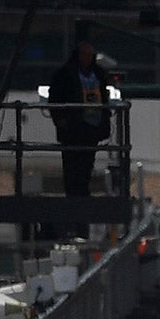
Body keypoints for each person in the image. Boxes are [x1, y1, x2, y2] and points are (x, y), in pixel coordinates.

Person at [46, 39, 112, 207]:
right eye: (85, 55)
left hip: (92, 128)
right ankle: (73, 196)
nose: (87, 58)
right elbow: (55, 100)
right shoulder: (65, 74)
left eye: (90, 55)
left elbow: (104, 99)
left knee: (87, 163)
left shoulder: (98, 74)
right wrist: (62, 122)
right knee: (71, 165)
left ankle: (83, 193)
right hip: (73, 129)